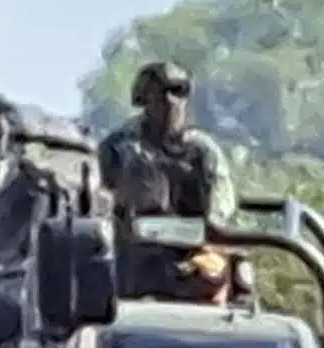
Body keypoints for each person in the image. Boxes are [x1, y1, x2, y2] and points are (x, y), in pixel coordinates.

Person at [97, 61, 238, 302]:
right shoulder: (118, 148)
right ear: (143, 99)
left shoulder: (202, 151)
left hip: (190, 257)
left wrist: (207, 234)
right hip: (132, 258)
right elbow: (98, 201)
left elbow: (221, 207)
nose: (171, 101)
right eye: (161, 93)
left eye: (178, 91)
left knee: (232, 275)